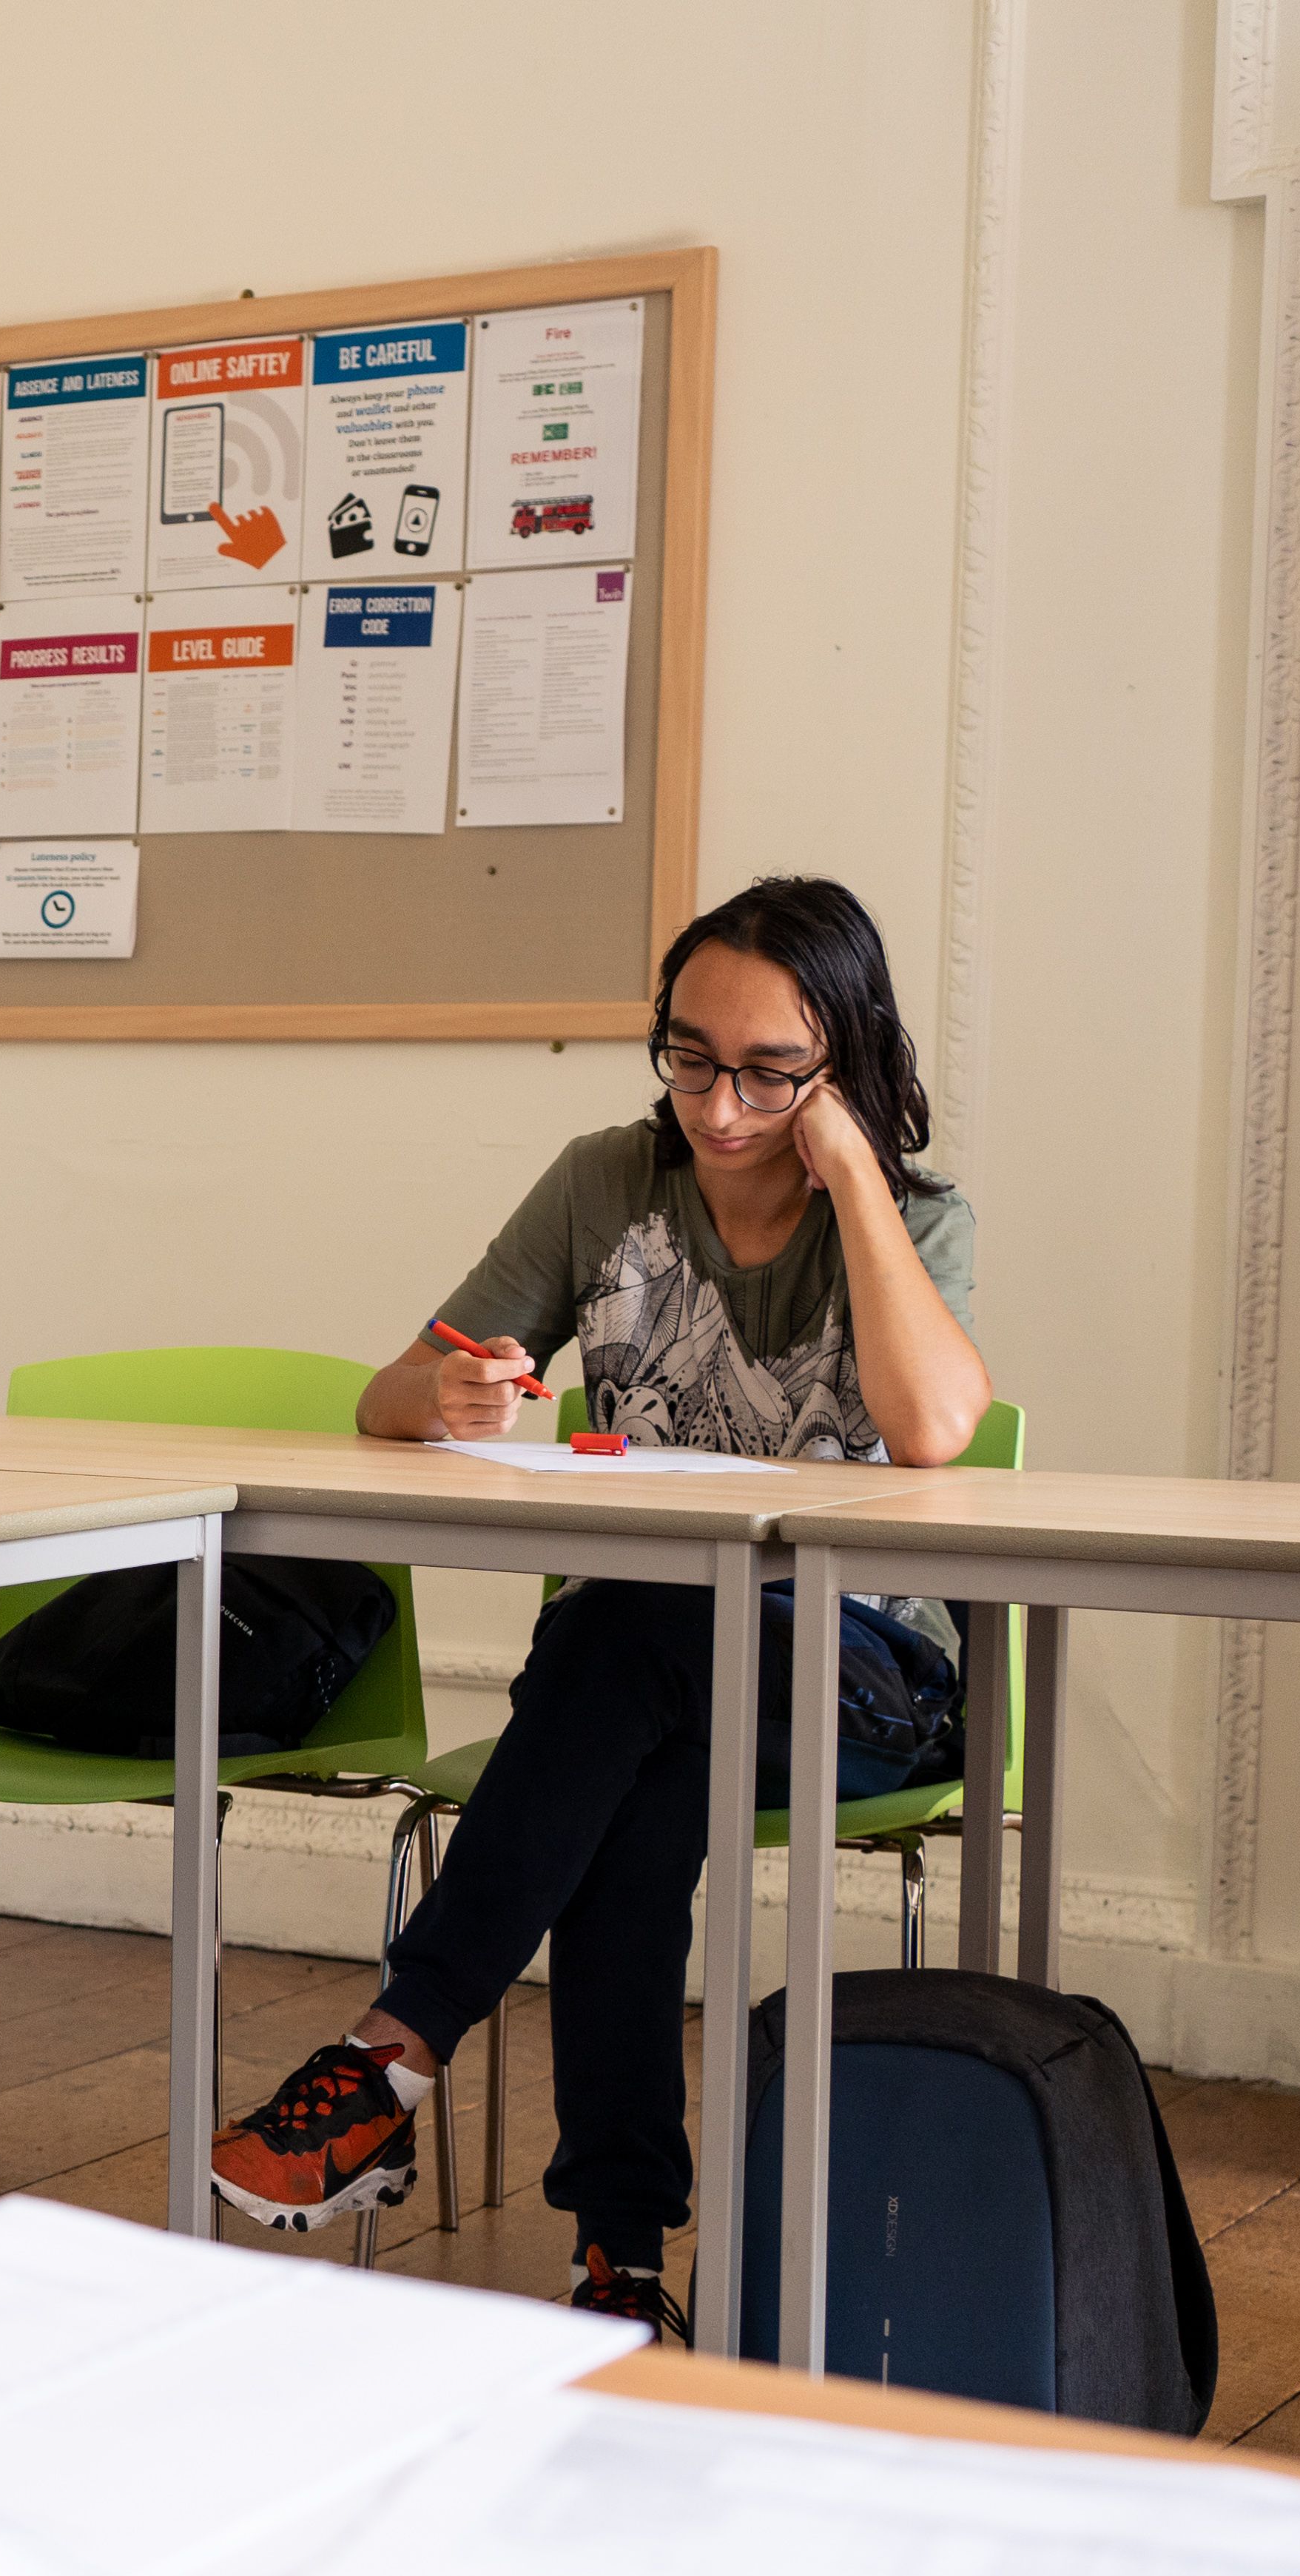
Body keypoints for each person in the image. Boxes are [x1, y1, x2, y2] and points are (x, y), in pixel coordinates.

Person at [206, 876, 989, 2337]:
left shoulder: (911, 1218)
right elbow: (388, 1392)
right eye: (691, 1055)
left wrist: (856, 1174)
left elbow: (936, 1426)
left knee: (634, 1627)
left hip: (859, 1673)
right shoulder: (606, 1185)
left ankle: (398, 2049)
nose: (719, 1101)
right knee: (636, 1773)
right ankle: (619, 2275)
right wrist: (441, 1398)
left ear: (846, 1067)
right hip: (652, 1680)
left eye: (770, 1071)